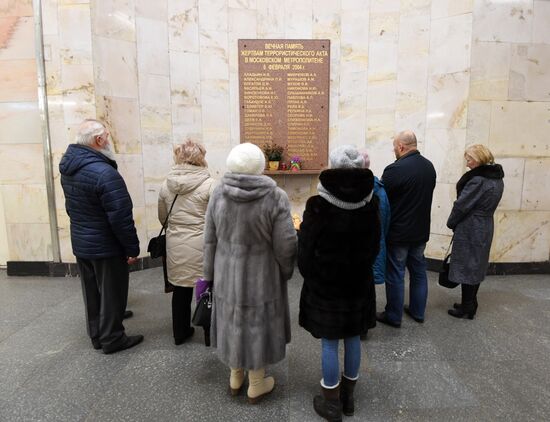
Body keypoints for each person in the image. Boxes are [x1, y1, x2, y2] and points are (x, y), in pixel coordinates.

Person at [203, 143, 297, 404]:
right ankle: (257, 383)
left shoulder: (218, 193)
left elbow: (209, 239)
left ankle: (235, 376)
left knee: (233, 319)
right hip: (262, 277)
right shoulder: (275, 197)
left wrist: (208, 275)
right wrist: (285, 271)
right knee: (257, 323)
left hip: (226, 276)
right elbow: (286, 243)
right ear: (260, 166)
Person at [298, 145, 381, 421]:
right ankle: (349, 397)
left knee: (330, 341)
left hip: (326, 284)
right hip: (358, 282)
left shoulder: (317, 204)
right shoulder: (372, 202)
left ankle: (331, 403)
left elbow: (306, 248)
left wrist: (310, 275)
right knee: (354, 336)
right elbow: (374, 245)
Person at [59, 119, 143, 354]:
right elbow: (120, 216)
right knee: (112, 291)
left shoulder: (69, 167)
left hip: (82, 241)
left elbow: (71, 206)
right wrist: (131, 248)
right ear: (98, 140)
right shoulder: (104, 173)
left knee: (92, 291)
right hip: (105, 245)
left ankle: (97, 334)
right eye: (107, 136)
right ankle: (113, 339)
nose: (109, 140)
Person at [158, 140, 215, 345]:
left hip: (176, 242)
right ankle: (209, 334)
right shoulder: (210, 184)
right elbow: (216, 217)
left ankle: (179, 333)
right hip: (202, 243)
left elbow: (162, 217)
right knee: (205, 287)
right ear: (201, 157)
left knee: (181, 289)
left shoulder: (166, 184)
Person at [376, 131, 436, 327]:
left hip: (399, 232)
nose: (394, 150)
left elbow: (383, 200)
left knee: (396, 273)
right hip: (420, 231)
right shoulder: (429, 167)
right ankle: (418, 312)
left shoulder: (395, 170)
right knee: (419, 271)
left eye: (394, 147)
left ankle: (394, 315)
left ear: (401, 146)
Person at [446, 144, 504, 319]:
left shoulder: (478, 180)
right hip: (485, 224)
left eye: (469, 160)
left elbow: (462, 205)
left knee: (467, 266)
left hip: (471, 226)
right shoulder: (497, 178)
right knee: (476, 265)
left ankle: (467, 307)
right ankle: (469, 303)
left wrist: (451, 222)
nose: (467, 164)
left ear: (479, 159)